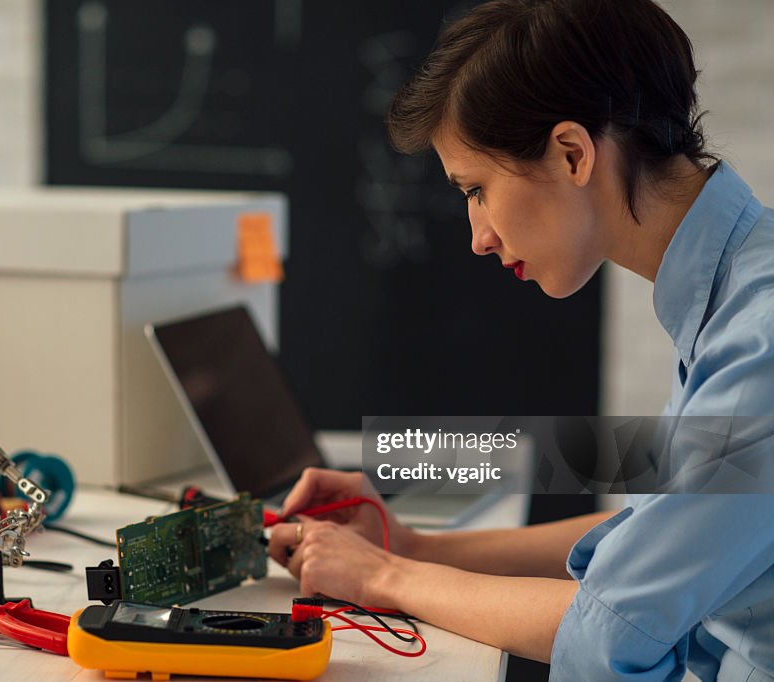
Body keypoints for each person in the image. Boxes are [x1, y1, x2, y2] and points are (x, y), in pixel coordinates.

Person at [267, 1, 774, 680]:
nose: (478, 236)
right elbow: (654, 534)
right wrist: (415, 546)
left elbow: (608, 634)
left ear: (572, 153)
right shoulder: (732, 287)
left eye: (476, 189)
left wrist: (382, 576)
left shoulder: (759, 339)